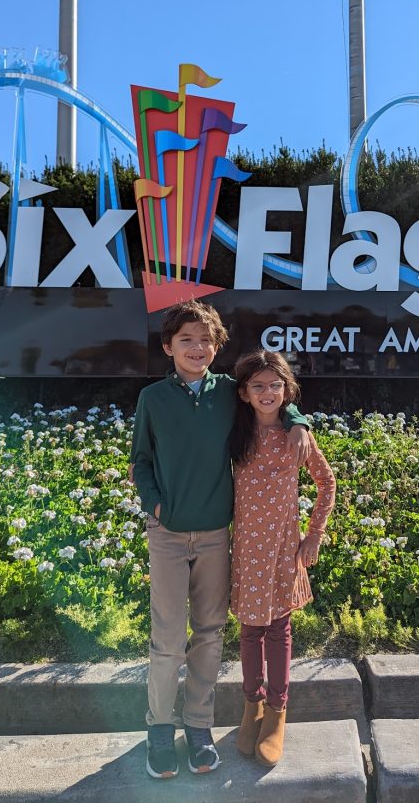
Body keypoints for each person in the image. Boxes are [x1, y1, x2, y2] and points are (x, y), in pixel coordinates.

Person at [131, 301, 311, 780]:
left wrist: (298, 418)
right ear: (168, 346)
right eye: (186, 339)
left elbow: (270, 393)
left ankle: (198, 729)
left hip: (216, 535)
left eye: (206, 340)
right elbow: (140, 462)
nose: (197, 348)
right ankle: (158, 730)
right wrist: (156, 506)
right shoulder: (152, 399)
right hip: (168, 534)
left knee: (209, 636)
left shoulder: (230, 393)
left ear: (216, 348)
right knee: (168, 640)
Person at [230, 349, 336, 767]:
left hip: (281, 550)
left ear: (287, 389)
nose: (267, 392)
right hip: (244, 550)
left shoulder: (299, 437)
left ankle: (277, 712)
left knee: (278, 629)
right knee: (249, 630)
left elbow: (327, 483)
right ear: (244, 393)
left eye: (275, 385)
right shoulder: (234, 432)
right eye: (258, 385)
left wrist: (313, 537)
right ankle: (251, 708)